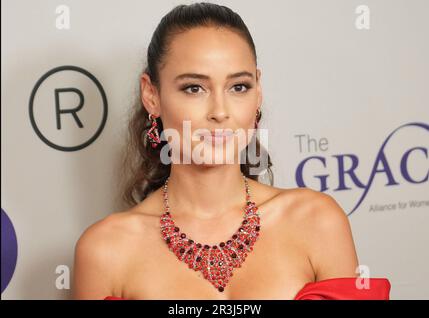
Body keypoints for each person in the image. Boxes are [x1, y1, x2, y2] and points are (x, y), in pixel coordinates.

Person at [72, 2, 390, 300]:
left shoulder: (317, 220)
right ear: (151, 95)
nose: (220, 112)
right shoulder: (106, 250)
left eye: (238, 87)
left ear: (258, 92)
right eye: (194, 88)